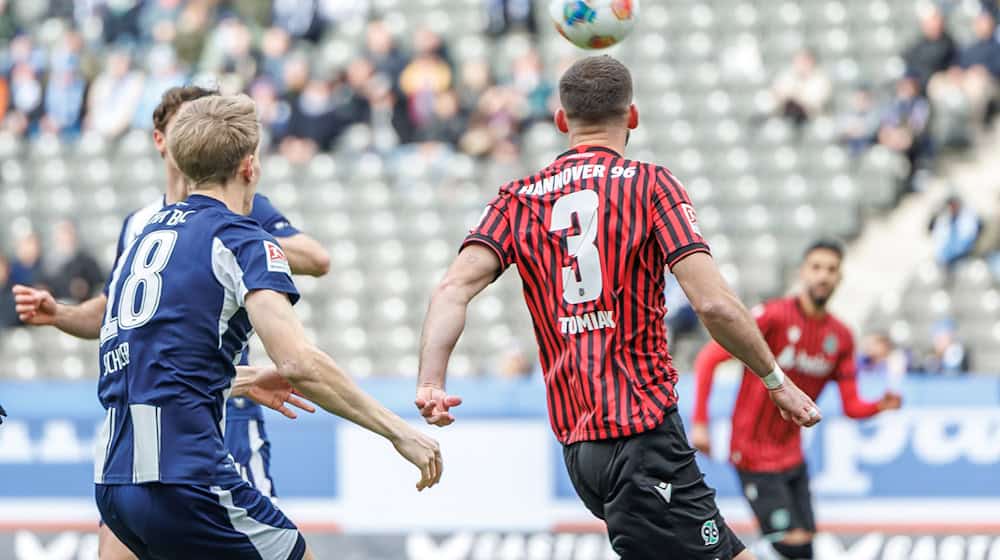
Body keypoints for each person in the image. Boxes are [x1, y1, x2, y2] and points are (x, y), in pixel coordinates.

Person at [414, 55, 822, 560]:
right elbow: (713, 304)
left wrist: (431, 381)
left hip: (579, 449)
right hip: (640, 432)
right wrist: (775, 380)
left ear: (561, 120)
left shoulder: (518, 198)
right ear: (632, 116)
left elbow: (451, 288)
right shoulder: (651, 185)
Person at [91, 94, 442, 559]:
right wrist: (399, 431)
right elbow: (298, 362)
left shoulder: (144, 236)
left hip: (114, 480)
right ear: (250, 166)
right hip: (184, 476)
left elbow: (145, 361)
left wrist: (240, 379)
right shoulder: (242, 239)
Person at [12, 85, 330, 560]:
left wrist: (222, 235)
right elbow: (112, 311)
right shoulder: (140, 223)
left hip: (227, 408)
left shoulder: (243, 207)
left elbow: (317, 258)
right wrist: (61, 314)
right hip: (151, 417)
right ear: (162, 140)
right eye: (188, 123)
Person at [691, 239, 902, 560]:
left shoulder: (841, 337)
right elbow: (708, 359)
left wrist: (880, 405)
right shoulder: (773, 317)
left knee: (805, 548)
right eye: (816, 267)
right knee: (789, 545)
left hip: (792, 456)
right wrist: (700, 423)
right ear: (803, 272)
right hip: (752, 452)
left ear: (840, 278)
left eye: (831, 270)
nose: (823, 276)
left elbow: (851, 406)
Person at [42, 220, 105, 302]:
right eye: (63, 234)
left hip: (82, 305)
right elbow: (44, 285)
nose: (66, 238)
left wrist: (86, 288)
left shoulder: (87, 261)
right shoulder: (48, 263)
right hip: (57, 304)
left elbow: (99, 284)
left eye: (69, 233)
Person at [930, 195, 981, 270]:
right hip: (944, 261)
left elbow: (968, 241)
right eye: (950, 206)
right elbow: (937, 239)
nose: (952, 208)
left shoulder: (968, 220)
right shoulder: (943, 221)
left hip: (964, 259)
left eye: (954, 205)